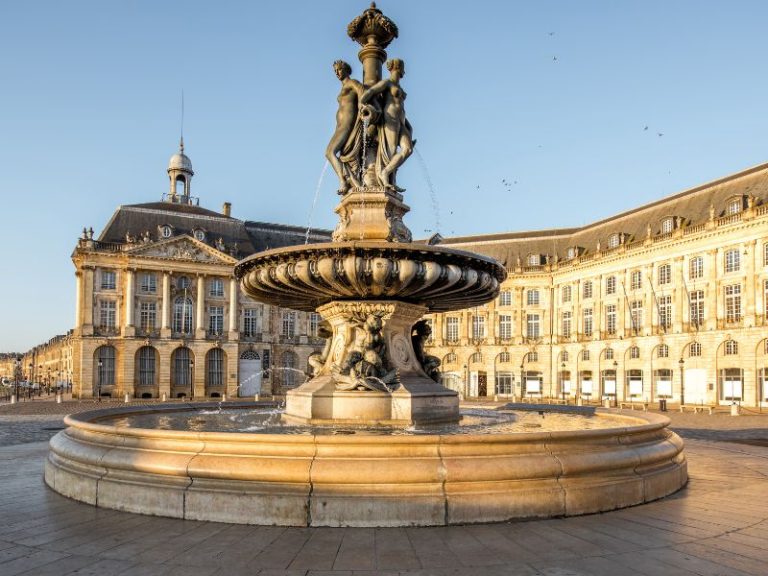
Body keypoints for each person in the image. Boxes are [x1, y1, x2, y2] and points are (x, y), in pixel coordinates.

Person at [360, 58, 414, 192]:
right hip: (390, 119)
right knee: (391, 151)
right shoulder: (387, 83)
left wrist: (409, 127)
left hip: (401, 121)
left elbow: (401, 107)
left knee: (408, 149)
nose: (404, 71)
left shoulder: (399, 87)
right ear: (397, 67)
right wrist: (362, 104)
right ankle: (387, 178)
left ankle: (387, 172)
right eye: (402, 67)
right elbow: (371, 92)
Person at [325, 60, 365, 195]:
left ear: (346, 70)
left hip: (347, 124)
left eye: (339, 69)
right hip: (340, 126)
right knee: (334, 154)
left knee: (329, 152)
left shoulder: (352, 82)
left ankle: (343, 181)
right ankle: (352, 180)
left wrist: (362, 106)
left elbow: (361, 91)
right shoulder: (343, 87)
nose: (337, 73)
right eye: (335, 71)